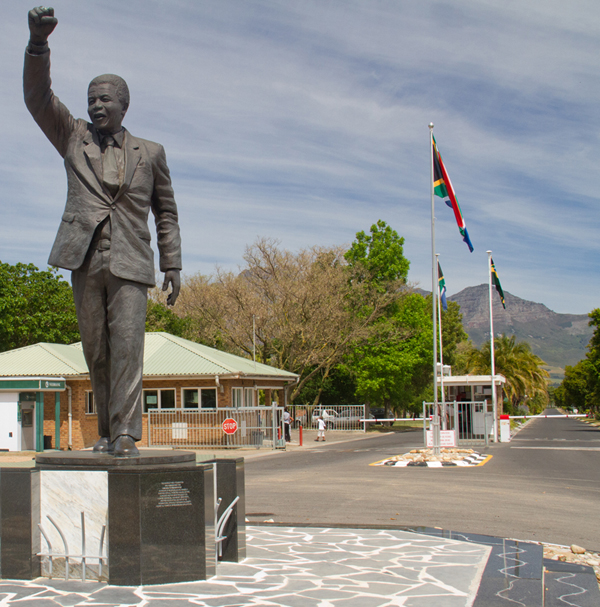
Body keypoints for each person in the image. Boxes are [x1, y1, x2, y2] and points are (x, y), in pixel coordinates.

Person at [24, 7, 182, 457]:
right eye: (91, 99)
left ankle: (128, 433)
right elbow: (37, 97)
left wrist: (172, 262)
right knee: (96, 351)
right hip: (85, 260)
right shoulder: (74, 136)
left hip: (131, 261)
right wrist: (38, 45)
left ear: (124, 104)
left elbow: (166, 211)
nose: (96, 105)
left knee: (129, 348)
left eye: (105, 99)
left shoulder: (150, 153)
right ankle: (108, 434)